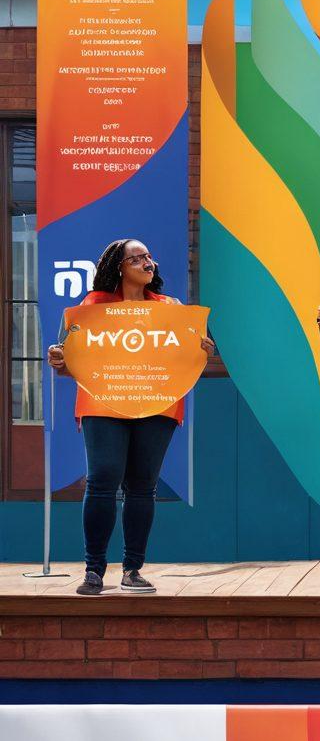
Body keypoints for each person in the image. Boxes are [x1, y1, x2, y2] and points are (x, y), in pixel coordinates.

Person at [47, 239, 214, 596]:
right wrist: (61, 358)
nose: (147, 262)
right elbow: (72, 358)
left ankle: (132, 570)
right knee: (103, 479)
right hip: (104, 403)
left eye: (149, 257)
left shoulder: (171, 308)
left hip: (157, 404)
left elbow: (186, 357)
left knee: (142, 486)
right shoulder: (93, 306)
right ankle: (94, 571)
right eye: (137, 258)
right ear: (119, 267)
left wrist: (202, 350)